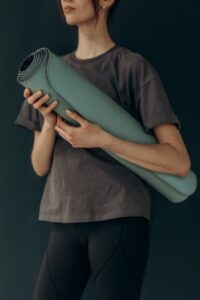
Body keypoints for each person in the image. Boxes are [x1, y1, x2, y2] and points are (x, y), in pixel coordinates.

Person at [14, 0, 191, 299]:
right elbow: (40, 166)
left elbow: (179, 162)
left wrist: (103, 139)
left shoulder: (132, 68)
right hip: (65, 220)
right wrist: (48, 122)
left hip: (119, 219)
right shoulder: (48, 72)